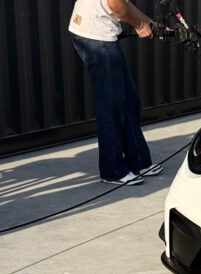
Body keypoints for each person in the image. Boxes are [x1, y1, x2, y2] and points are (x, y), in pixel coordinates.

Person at [69, 0, 165, 186]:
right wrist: (138, 24)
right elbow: (116, 4)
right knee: (111, 106)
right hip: (95, 36)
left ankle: (138, 161)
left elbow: (125, 3)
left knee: (129, 100)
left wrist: (149, 23)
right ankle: (112, 171)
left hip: (100, 31)